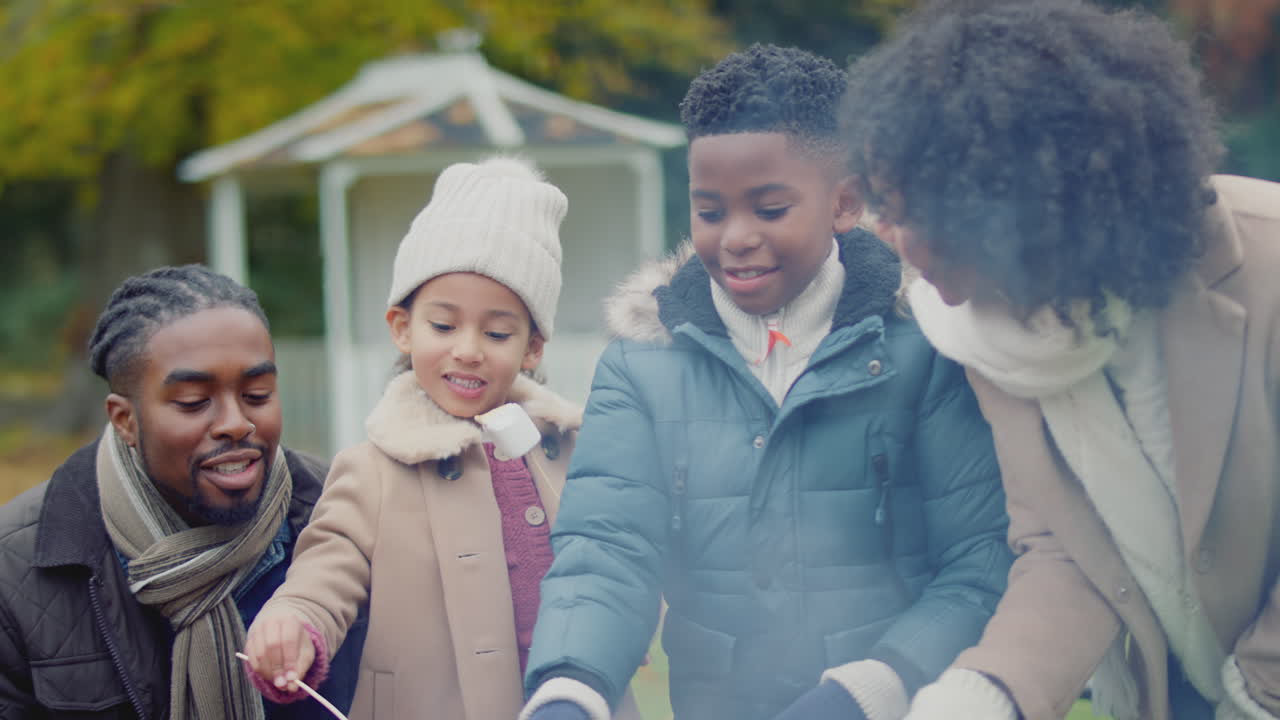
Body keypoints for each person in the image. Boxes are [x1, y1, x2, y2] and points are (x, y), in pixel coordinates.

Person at [519, 44, 1012, 720]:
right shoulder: (641, 364)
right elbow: (606, 552)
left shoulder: (926, 349)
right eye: (711, 212)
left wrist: (869, 689)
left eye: (770, 209)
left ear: (844, 203)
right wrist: (568, 690)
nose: (735, 238)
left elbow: (979, 562)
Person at [840, 1, 1280, 719]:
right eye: (885, 208)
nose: (894, 240)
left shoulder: (1268, 264)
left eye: (918, 211)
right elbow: (1066, 552)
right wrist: (982, 694)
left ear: (1022, 199)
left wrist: (1258, 696)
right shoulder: (981, 334)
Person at [240, 156, 637, 720]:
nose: (468, 348)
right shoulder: (373, 470)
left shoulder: (575, 453)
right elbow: (326, 570)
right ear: (402, 327)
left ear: (532, 348)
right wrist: (295, 620)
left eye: (497, 331)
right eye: (443, 325)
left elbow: (620, 563)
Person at [0, 265, 364, 719]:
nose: (236, 423)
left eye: (257, 394)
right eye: (194, 402)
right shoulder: (17, 569)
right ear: (125, 420)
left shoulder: (351, 515)